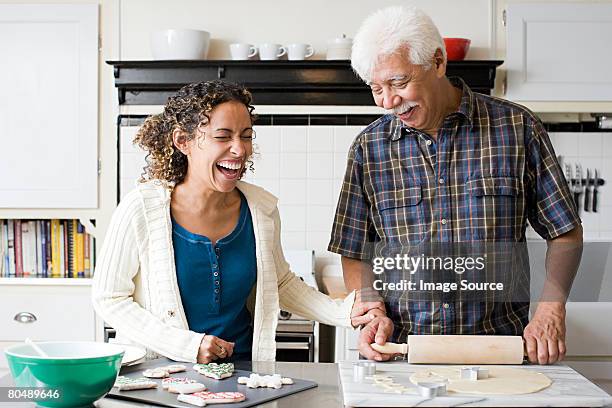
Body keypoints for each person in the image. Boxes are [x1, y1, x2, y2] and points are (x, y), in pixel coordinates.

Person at [328, 6, 583, 365]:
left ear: (438, 62)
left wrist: (550, 309)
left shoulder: (517, 129)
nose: (388, 101)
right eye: (376, 88)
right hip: (403, 355)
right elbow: (355, 248)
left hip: (500, 352)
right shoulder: (369, 149)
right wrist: (371, 309)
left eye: (399, 83)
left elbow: (565, 233)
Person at [92, 80, 383, 363]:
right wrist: (187, 346)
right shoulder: (141, 208)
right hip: (164, 376)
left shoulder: (261, 210)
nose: (239, 149)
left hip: (242, 372)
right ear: (184, 141)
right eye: (223, 136)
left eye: (246, 135)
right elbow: (110, 298)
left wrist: (345, 313)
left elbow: (279, 283)